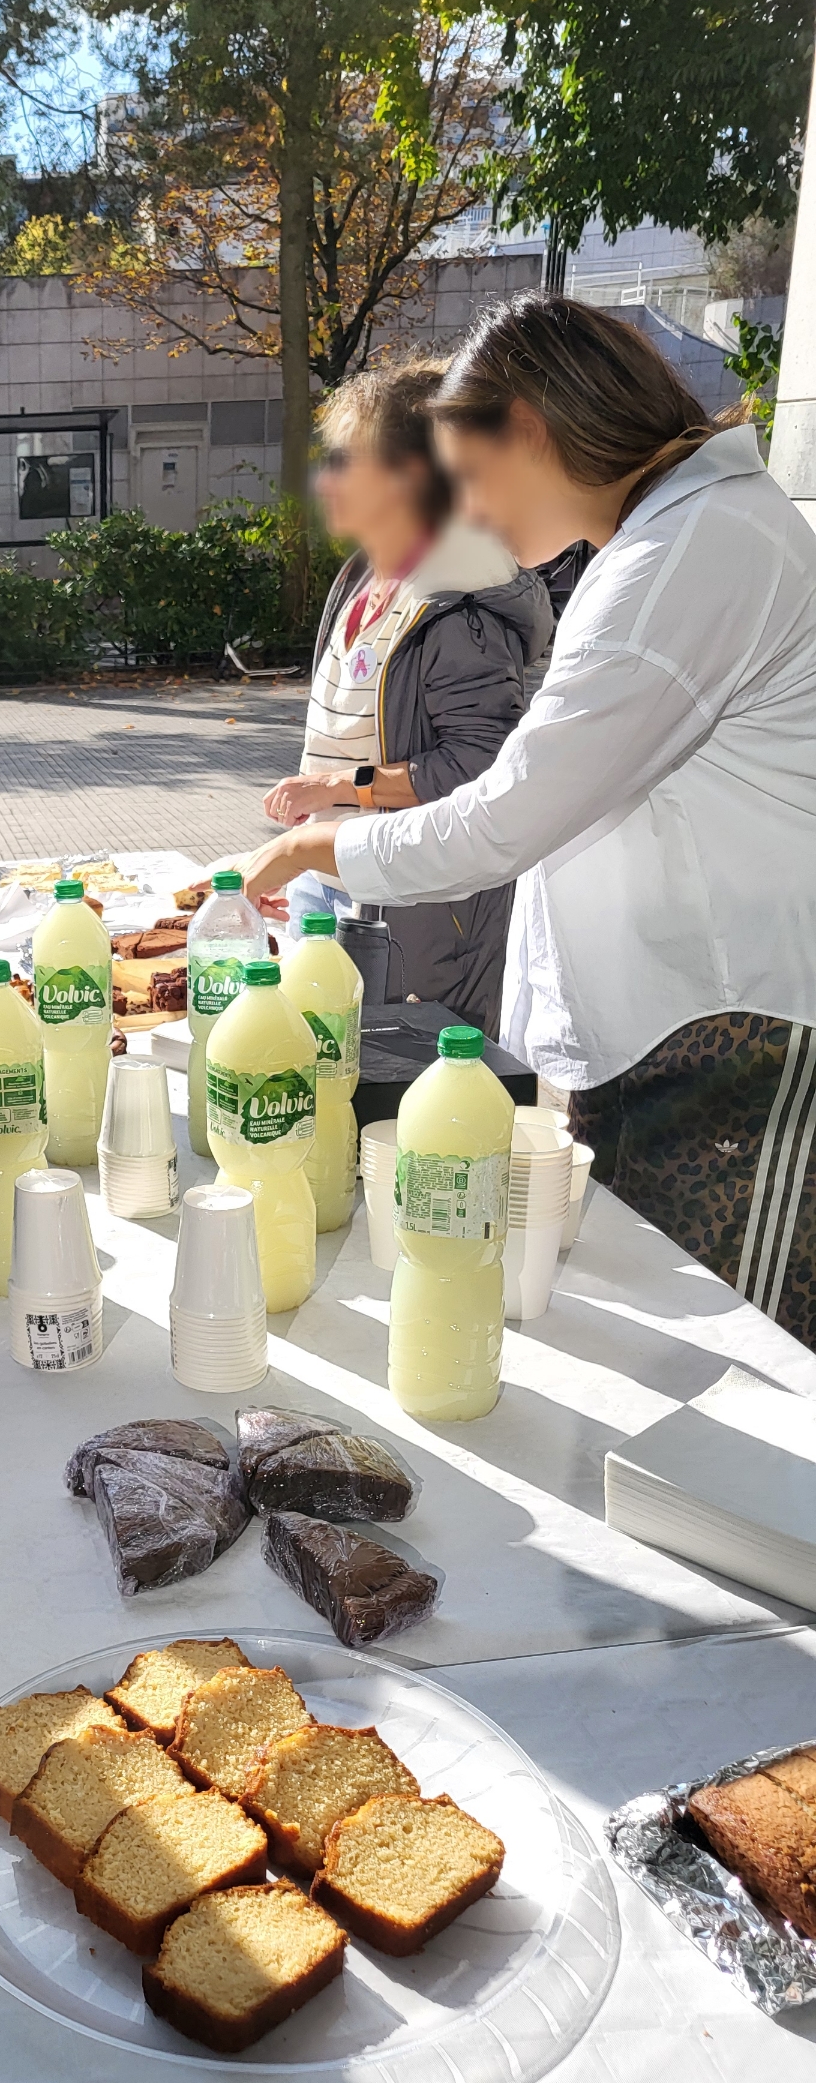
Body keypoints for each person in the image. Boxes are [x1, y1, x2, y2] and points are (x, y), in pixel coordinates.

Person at [241, 292, 816, 1345]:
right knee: (643, 1326)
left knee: (733, 1345)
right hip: (666, 1025)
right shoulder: (664, 538)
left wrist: (322, 842)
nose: (467, 511)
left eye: (468, 476)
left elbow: (505, 815)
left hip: (730, 1030)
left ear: (532, 430)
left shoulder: (686, 555)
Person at [260, 357, 551, 1032]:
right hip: (334, 883)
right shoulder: (364, 578)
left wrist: (337, 788)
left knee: (388, 1085)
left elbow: (481, 766)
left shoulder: (458, 607)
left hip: (414, 916)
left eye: (344, 461)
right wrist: (308, 857)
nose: (324, 481)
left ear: (412, 476)